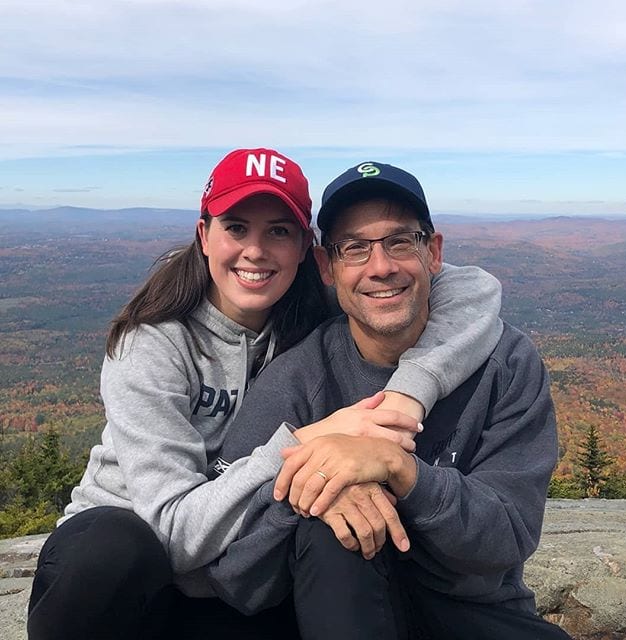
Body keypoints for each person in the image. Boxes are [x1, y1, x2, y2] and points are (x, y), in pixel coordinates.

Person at [27, 149, 503, 640]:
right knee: (114, 545)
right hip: (129, 570)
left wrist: (407, 397)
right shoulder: (153, 343)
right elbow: (173, 533)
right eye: (236, 227)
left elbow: (475, 290)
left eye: (278, 230)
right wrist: (305, 441)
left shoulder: (314, 310)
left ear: (305, 248)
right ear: (203, 235)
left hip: (236, 573)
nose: (255, 251)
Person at [207, 161, 572, 639]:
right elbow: (232, 571)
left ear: (433, 253)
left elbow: (508, 536)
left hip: (471, 610)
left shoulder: (505, 363)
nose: (381, 267)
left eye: (400, 241)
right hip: (338, 607)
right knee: (330, 532)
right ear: (326, 267)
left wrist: (402, 472)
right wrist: (314, 495)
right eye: (355, 248)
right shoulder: (298, 378)